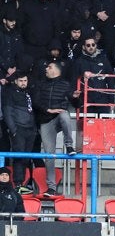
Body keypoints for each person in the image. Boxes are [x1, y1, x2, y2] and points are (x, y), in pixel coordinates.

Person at [35, 62, 80, 197]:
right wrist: (48, 110)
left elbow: (76, 104)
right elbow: (35, 101)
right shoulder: (41, 84)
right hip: (46, 121)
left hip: (59, 119)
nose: (46, 69)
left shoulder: (66, 84)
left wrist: (76, 98)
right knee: (49, 155)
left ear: (56, 70)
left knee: (64, 114)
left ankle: (69, 146)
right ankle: (51, 188)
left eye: (49, 67)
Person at [4, 73, 37, 190]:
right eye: (21, 81)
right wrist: (14, 130)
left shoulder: (28, 93)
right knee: (19, 156)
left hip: (30, 129)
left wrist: (34, 129)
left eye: (25, 80)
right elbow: (7, 113)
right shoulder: (10, 93)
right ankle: (18, 184)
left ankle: (24, 184)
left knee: (26, 158)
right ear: (16, 81)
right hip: (19, 129)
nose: (23, 83)